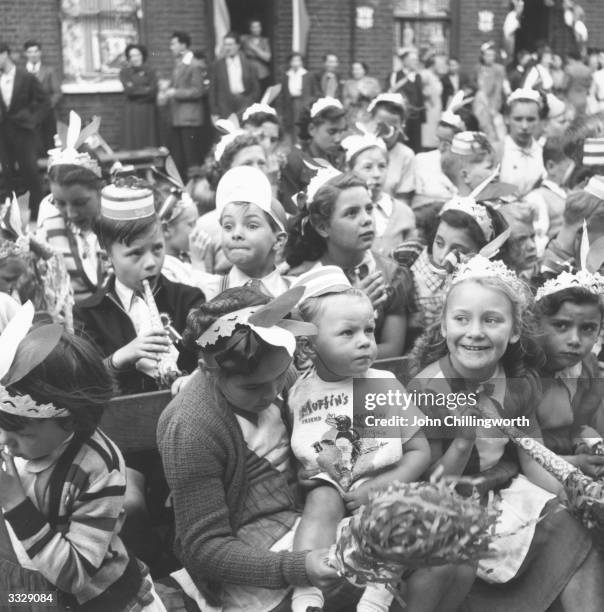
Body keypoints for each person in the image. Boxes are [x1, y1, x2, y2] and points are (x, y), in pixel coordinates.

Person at [408, 255, 604, 612]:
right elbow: (429, 478)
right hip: (449, 501)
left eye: (492, 320)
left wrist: (577, 491)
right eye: (462, 319)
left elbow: (533, 460)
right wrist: (465, 438)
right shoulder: (427, 389)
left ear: (514, 330)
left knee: (575, 525)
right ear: (443, 326)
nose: (476, 331)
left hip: (504, 489)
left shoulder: (517, 383)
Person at [158, 286, 358, 611]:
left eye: (278, 376)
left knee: (422, 556)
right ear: (209, 369)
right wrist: (297, 566)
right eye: (252, 387)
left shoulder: (282, 376)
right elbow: (205, 546)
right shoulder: (192, 425)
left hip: (310, 521)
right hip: (248, 555)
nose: (270, 393)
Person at [288, 275, 473, 612]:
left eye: (369, 330)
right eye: (348, 333)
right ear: (310, 345)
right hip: (331, 492)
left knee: (396, 513)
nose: (364, 342)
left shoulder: (383, 386)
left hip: (385, 486)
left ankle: (377, 597)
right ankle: (306, 593)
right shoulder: (298, 392)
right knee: (321, 498)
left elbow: (420, 452)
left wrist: (378, 487)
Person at [0, 305, 164, 610]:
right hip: (27, 588)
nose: (4, 440)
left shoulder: (96, 469)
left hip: (93, 600)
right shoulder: (16, 434)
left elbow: (74, 575)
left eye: (21, 431)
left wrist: (14, 502)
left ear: (71, 421)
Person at [74, 180, 205, 395]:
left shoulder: (189, 299)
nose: (151, 262)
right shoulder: (88, 313)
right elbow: (85, 383)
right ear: (107, 258)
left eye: (157, 248)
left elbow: (214, 359)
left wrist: (196, 377)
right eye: (135, 253)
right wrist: (121, 357)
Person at [284, 172, 408, 358]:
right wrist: (353, 308)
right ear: (322, 227)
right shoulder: (303, 282)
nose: (366, 219)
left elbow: (392, 349)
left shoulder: (390, 274)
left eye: (369, 209)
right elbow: (302, 354)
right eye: (351, 213)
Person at [394, 186, 509, 349]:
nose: (443, 256)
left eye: (459, 250)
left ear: (481, 253)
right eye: (439, 243)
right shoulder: (410, 258)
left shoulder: (487, 287)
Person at [533, 270, 604, 470]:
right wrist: (576, 463)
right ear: (536, 323)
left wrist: (583, 444)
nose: (575, 340)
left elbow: (577, 426)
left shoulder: (586, 370)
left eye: (588, 328)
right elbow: (518, 450)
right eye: (561, 325)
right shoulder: (521, 372)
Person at [36, 113, 109, 302]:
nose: (70, 213)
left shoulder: (120, 225)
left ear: (101, 189)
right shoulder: (49, 231)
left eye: (80, 202)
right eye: (59, 203)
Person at [201, 166, 289, 300]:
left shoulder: (296, 292)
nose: (236, 234)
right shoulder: (209, 292)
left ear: (278, 240)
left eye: (252, 226)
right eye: (228, 226)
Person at [341, 133, 415, 257]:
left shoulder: (404, 212)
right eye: (368, 167)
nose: (377, 174)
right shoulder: (345, 211)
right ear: (349, 170)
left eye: (382, 166)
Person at [0, 42, 48, 221]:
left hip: (24, 132)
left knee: (30, 173)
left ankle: (39, 215)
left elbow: (44, 101)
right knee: (7, 174)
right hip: (3, 133)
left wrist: (33, 121)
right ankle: (12, 218)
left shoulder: (25, 76)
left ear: (5, 54)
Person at [280, 97, 347, 210]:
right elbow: (291, 209)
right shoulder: (294, 160)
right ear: (312, 129)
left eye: (341, 131)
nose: (338, 138)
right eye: (332, 131)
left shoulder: (337, 157)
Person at [163, 31, 206, 181]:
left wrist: (175, 92)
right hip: (179, 117)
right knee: (181, 155)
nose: (171, 47)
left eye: (173, 44)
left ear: (183, 45)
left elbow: (198, 91)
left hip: (189, 117)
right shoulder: (180, 63)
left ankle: (195, 187)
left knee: (191, 156)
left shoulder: (194, 65)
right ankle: (185, 186)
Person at [366, 93, 415, 203]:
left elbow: (404, 199)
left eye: (392, 128)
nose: (385, 133)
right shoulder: (357, 149)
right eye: (380, 125)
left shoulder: (406, 155)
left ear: (402, 126)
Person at [525, 136, 573, 245]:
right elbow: (538, 241)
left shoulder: (571, 192)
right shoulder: (537, 198)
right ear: (551, 166)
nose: (574, 171)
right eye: (569, 166)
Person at [499, 88, 545, 197]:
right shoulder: (498, 152)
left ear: (539, 120)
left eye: (530, 119)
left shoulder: (543, 152)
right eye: (518, 119)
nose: (524, 126)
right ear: (507, 119)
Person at [209, 32, 260, 119]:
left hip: (244, 104)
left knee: (244, 131)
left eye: (230, 45)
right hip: (225, 106)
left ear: (238, 46)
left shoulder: (249, 64)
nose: (227, 48)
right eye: (225, 45)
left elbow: (255, 88)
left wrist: (250, 102)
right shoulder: (217, 65)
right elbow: (213, 90)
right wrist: (214, 112)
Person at [23, 40, 61, 154]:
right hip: (27, 115)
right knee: (29, 145)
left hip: (46, 116)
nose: (33, 54)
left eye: (36, 51)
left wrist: (46, 107)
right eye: (30, 52)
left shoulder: (49, 71)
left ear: (40, 53)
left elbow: (57, 93)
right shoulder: (21, 72)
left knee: (49, 145)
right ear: (26, 54)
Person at [119, 43, 159, 149]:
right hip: (131, 110)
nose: (134, 58)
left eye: (137, 55)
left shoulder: (150, 71)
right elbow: (128, 91)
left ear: (142, 55)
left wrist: (135, 88)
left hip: (147, 109)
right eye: (131, 56)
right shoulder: (124, 72)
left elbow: (153, 91)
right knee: (133, 138)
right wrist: (145, 89)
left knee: (147, 137)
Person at [386, 49, 425, 152]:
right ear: (404, 61)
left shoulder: (418, 76)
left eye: (416, 60)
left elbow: (420, 97)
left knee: (416, 144)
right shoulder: (395, 75)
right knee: (401, 142)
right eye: (412, 59)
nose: (415, 62)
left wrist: (422, 116)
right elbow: (390, 92)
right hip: (401, 115)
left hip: (415, 116)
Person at [279, 52, 313, 143]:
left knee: (301, 123)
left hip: (302, 102)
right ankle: (293, 143)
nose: (295, 62)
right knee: (291, 125)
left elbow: (312, 91)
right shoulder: (286, 75)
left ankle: (302, 143)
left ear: (302, 62)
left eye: (298, 60)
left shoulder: (307, 75)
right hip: (290, 102)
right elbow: (283, 93)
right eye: (293, 60)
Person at [240, 19, 272, 92]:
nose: (256, 29)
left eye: (258, 27)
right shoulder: (244, 38)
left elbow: (267, 58)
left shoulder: (264, 40)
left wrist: (254, 48)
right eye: (254, 27)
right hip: (248, 72)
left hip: (262, 73)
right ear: (250, 28)